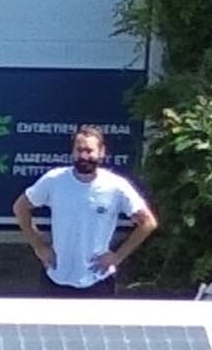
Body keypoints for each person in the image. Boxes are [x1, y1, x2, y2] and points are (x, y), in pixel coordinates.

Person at [16, 125, 159, 297]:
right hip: (55, 276)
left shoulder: (116, 186)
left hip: (98, 281)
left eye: (90, 150)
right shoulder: (54, 180)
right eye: (79, 150)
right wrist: (38, 246)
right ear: (72, 152)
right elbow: (20, 207)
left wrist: (117, 257)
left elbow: (148, 222)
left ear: (102, 152)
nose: (84, 156)